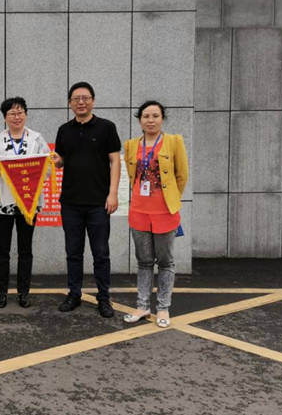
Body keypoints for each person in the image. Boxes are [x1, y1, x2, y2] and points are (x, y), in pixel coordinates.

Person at [50, 82, 121, 317]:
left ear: (93, 101)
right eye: (76, 99)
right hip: (70, 202)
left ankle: (104, 298)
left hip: (98, 203)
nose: (81, 102)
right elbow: (61, 161)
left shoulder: (106, 127)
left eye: (85, 98)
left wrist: (113, 193)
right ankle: (74, 294)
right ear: (70, 103)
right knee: (73, 252)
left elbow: (115, 161)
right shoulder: (64, 130)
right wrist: (54, 161)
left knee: (101, 253)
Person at [122, 100, 188, 328]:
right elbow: (133, 176)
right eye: (146, 116)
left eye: (155, 116)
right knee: (144, 261)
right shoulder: (131, 145)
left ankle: (163, 307)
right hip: (139, 211)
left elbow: (182, 175)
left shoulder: (173, 142)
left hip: (164, 212)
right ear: (140, 120)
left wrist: (170, 199)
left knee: (166, 262)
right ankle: (142, 306)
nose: (150, 120)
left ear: (162, 118)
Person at [0, 97, 50, 308]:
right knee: (2, 250)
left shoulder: (37, 139)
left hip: (28, 202)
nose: (16, 117)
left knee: (25, 249)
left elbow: (48, 169)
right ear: (5, 117)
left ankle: (24, 292)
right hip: (2, 203)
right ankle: (2, 292)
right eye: (12, 113)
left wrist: (39, 167)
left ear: (26, 114)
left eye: (20, 112)